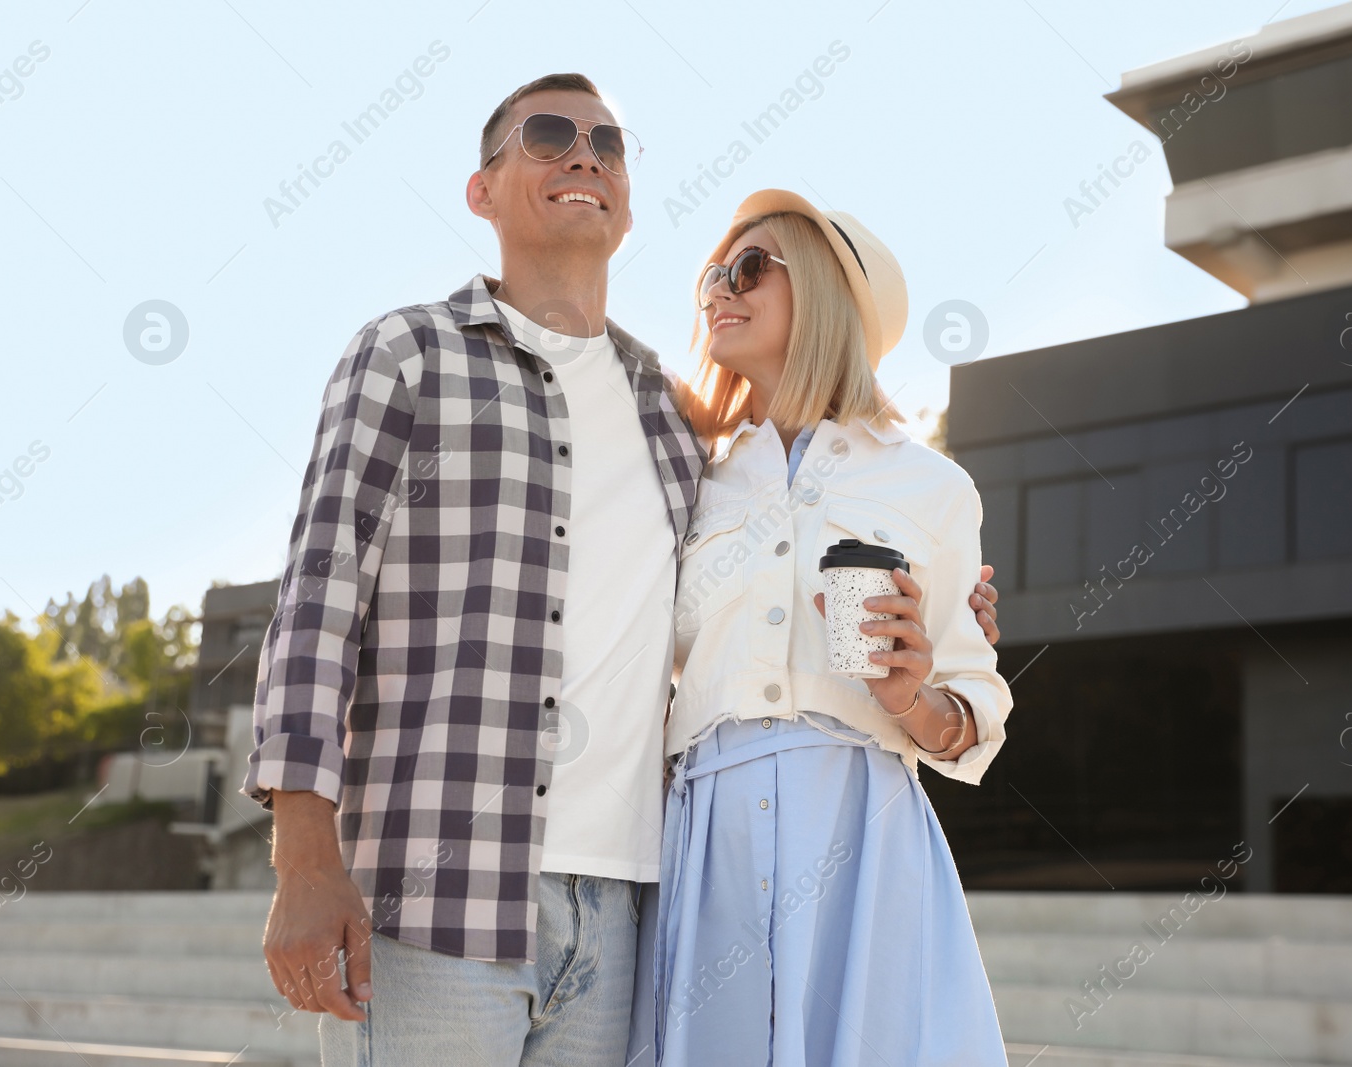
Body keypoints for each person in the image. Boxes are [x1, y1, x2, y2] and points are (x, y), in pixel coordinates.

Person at [242, 74, 1004, 1066]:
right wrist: (303, 856)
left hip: (637, 901)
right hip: (447, 885)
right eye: (547, 136)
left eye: (609, 142)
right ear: (482, 189)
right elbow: (317, 601)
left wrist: (938, 646)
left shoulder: (676, 420)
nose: (584, 155)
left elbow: (919, 654)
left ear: (629, 202)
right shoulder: (416, 356)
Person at [627, 190, 1012, 1066]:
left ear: (831, 297)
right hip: (706, 819)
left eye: (751, 267)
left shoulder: (933, 486)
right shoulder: (692, 482)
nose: (721, 290)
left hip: (861, 822)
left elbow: (974, 704)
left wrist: (912, 697)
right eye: (712, 276)